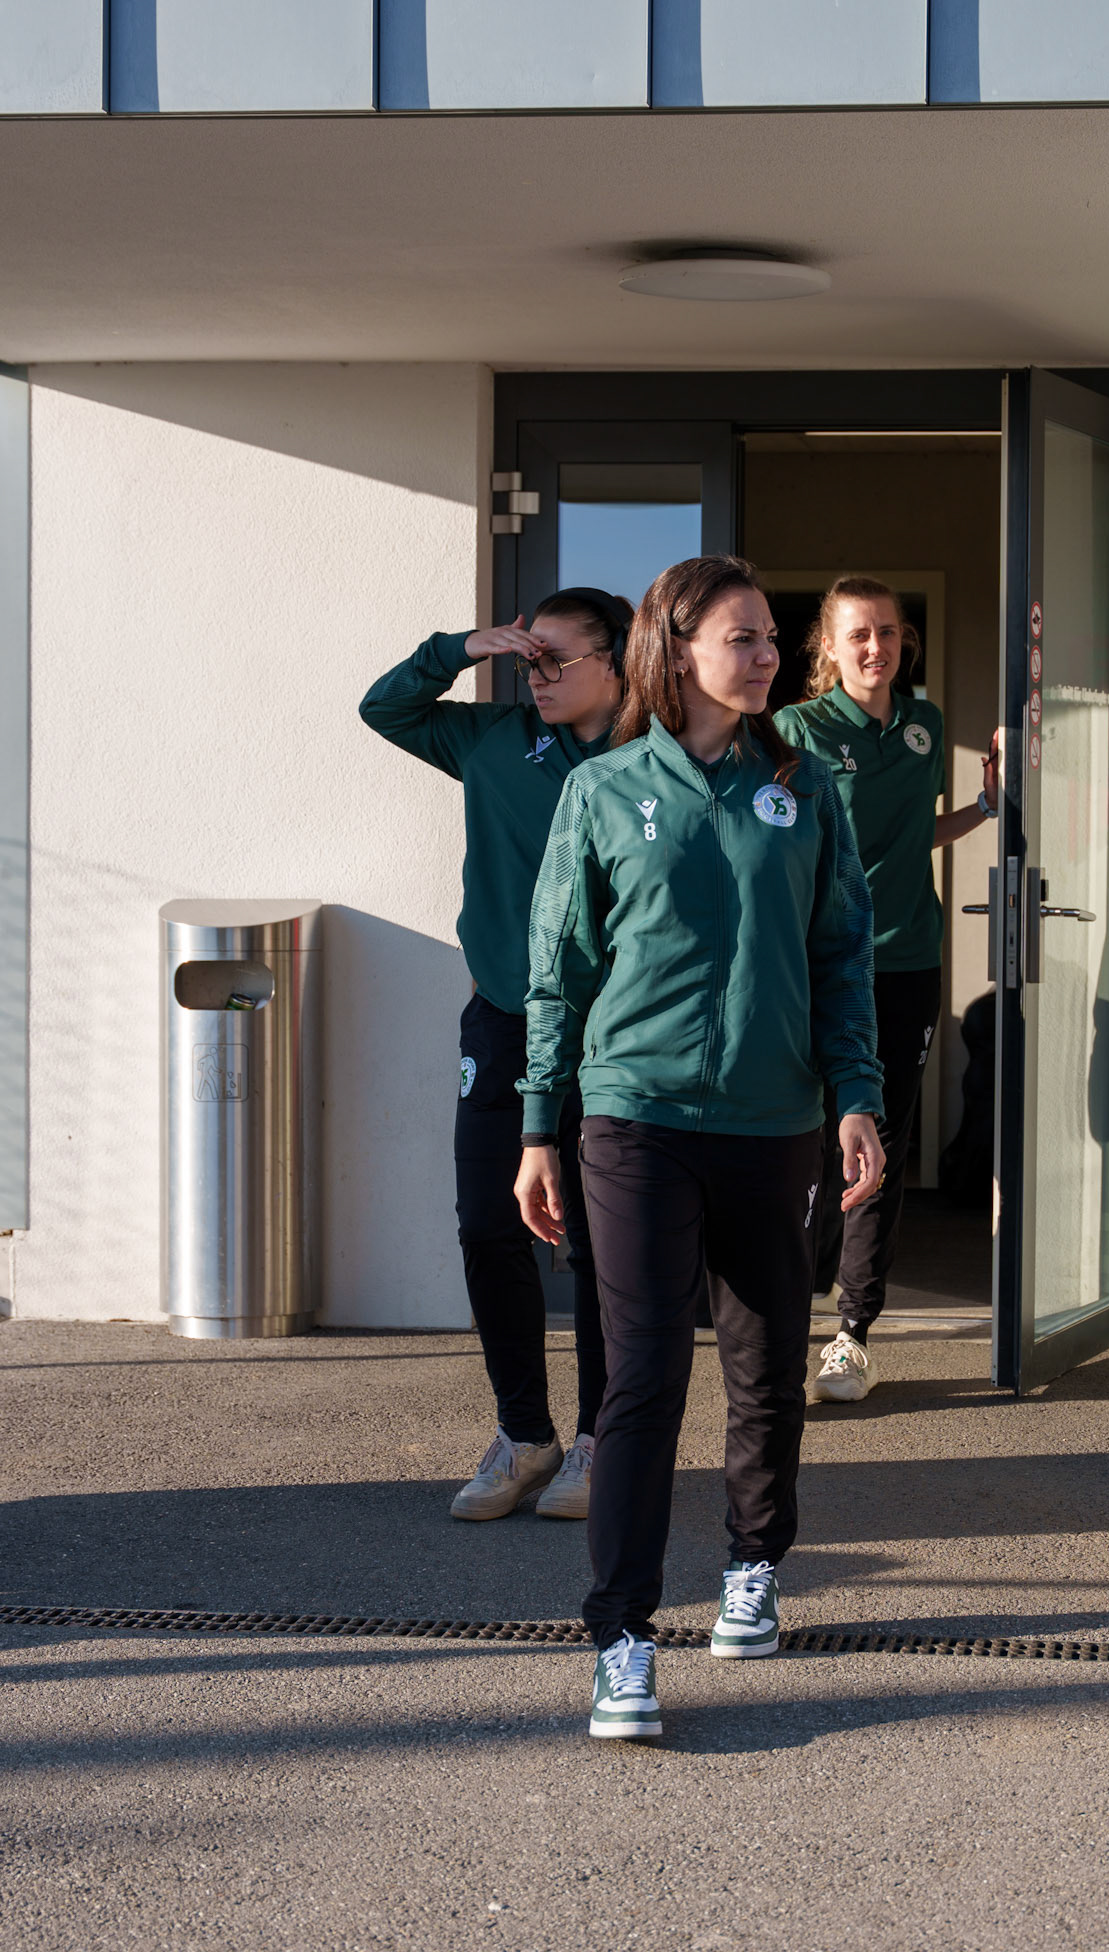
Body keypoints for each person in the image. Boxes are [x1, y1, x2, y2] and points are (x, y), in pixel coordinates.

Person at [513, 555, 885, 1741]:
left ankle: (752, 1565)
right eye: (744, 637)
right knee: (643, 1378)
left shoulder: (803, 787)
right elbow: (558, 969)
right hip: (635, 1116)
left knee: (767, 1366)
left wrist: (856, 1095)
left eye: (773, 637)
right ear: (676, 650)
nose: (768, 655)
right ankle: (622, 1634)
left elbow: (842, 950)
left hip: (772, 1122)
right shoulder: (604, 789)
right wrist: (539, 1124)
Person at [359, 589, 634, 1521]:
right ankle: (525, 1435)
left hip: (612, 1033)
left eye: (557, 659)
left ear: (616, 661)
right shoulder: (490, 740)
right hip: (503, 1020)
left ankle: (599, 1440)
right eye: (526, 659)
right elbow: (385, 707)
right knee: (487, 1225)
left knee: (600, 1243)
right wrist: (461, 647)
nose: (536, 676)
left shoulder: (652, 758)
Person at [774, 577, 998, 1403]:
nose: (877, 648)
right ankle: (780, 1319)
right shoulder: (795, 728)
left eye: (890, 633)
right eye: (859, 634)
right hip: (817, 965)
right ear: (828, 648)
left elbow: (912, 835)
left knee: (884, 1146)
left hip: (905, 962)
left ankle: (852, 1334)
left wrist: (985, 805)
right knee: (804, 1136)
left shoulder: (923, 724)